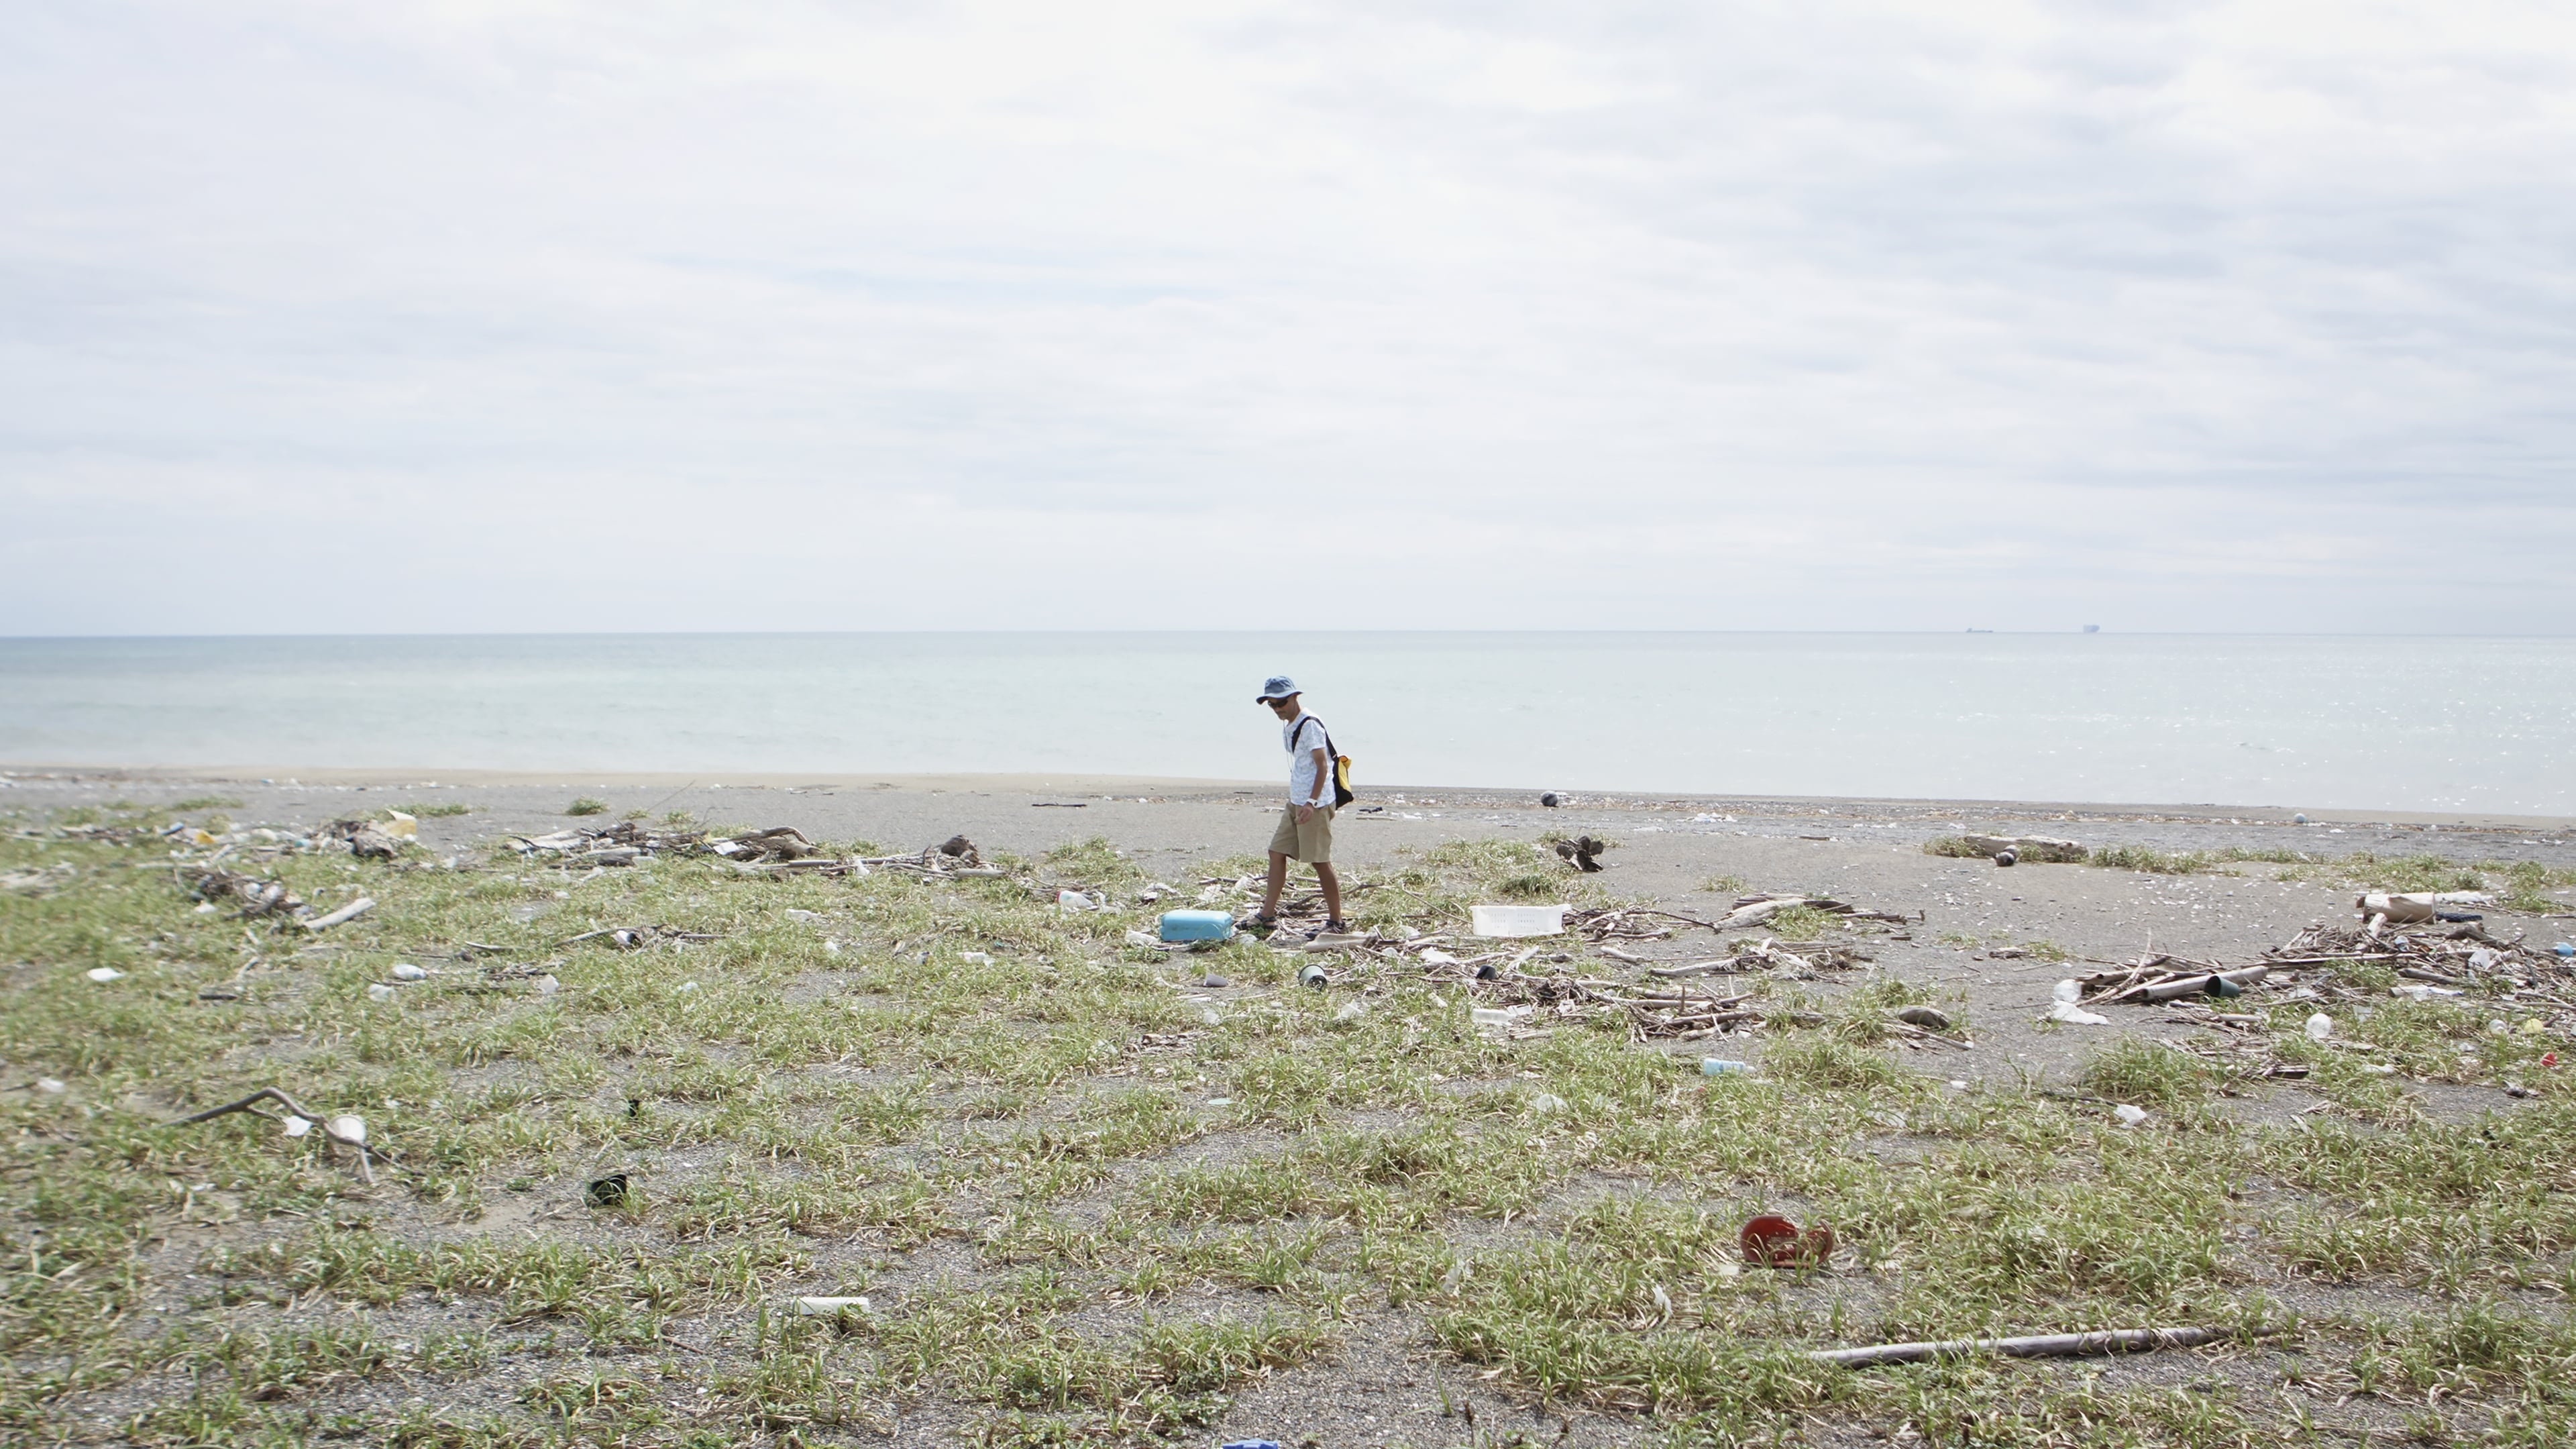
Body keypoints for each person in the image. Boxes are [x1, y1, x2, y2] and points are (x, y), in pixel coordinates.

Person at [1252, 675, 1345, 935]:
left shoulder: (1310, 724)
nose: (1278, 708)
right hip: (1296, 801)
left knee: (1319, 861)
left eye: (1281, 702)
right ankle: (1267, 915)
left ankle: (1336, 922)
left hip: (1313, 803)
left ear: (1294, 697)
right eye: (1272, 705)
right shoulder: (1290, 723)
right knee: (1276, 852)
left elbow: (1322, 765)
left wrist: (1311, 803)